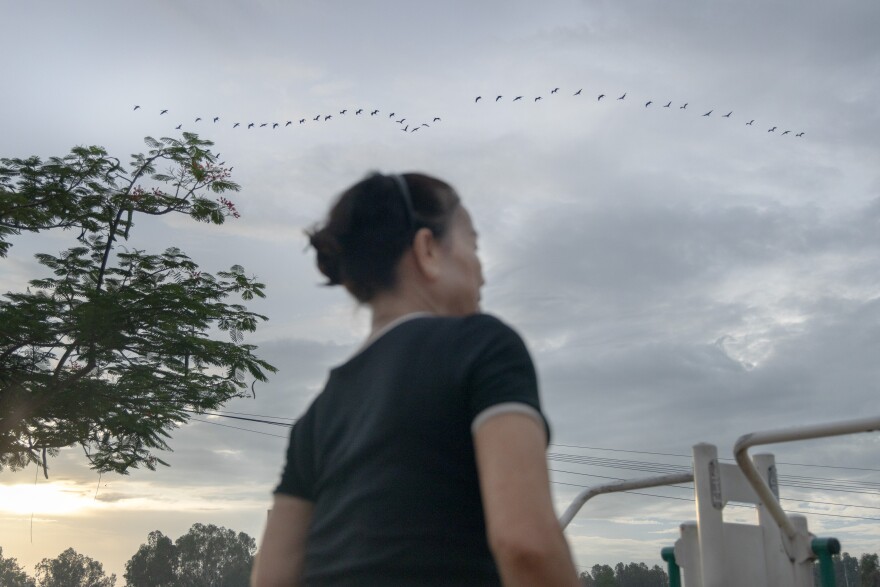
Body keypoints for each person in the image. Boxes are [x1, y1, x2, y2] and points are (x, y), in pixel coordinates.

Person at [251, 172, 579, 586]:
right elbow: (526, 544)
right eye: (474, 246)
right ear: (427, 250)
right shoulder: (483, 345)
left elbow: (271, 579)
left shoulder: (315, 419)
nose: (482, 273)